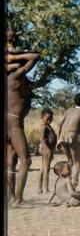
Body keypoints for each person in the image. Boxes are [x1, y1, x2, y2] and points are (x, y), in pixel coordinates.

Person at [6, 28, 40, 206]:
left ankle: (10, 197)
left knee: (10, 160)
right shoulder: (17, 77)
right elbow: (35, 56)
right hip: (13, 122)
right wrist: (16, 56)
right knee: (26, 160)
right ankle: (18, 199)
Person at [57, 93, 80, 188]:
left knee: (69, 161)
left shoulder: (68, 111)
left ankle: (64, 183)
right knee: (77, 162)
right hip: (72, 137)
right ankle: (74, 183)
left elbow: (60, 124)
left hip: (63, 137)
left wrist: (59, 138)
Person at [37, 108, 57, 195]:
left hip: (48, 150)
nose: (49, 119)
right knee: (46, 170)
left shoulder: (48, 126)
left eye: (51, 118)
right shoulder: (43, 126)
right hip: (46, 150)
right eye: (47, 117)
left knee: (43, 169)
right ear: (42, 117)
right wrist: (47, 149)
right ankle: (45, 189)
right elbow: (42, 139)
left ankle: (40, 188)